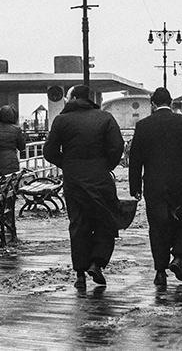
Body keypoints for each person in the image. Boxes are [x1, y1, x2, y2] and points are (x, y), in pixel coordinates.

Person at [43, 85, 125, 289]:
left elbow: (49, 151)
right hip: (100, 179)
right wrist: (105, 166)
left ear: (73, 98)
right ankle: (97, 263)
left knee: (78, 224)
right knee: (106, 221)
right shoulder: (105, 118)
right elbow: (117, 147)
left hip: (74, 181)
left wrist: (68, 164)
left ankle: (80, 273)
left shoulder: (61, 120)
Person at [128, 88, 182, 286]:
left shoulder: (143, 125)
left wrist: (135, 187)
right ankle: (179, 258)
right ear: (171, 103)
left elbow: (135, 160)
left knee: (158, 227)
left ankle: (160, 272)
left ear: (153, 104)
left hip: (154, 185)